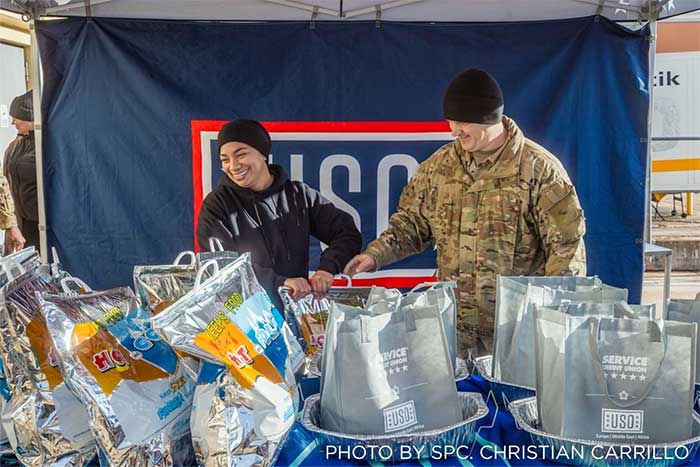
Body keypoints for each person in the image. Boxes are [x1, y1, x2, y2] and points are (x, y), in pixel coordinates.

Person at [344, 68, 586, 360]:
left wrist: (551, 325)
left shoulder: (539, 170)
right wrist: (375, 255)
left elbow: (566, 251)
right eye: (450, 122)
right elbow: (412, 223)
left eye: (462, 123)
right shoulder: (439, 167)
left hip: (515, 335)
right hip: (453, 333)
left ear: (488, 119)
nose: (453, 131)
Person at [197, 118, 362, 309]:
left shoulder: (298, 195)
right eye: (225, 159)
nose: (233, 166)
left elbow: (347, 233)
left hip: (296, 312)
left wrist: (327, 269)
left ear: (263, 154)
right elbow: (219, 268)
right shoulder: (216, 205)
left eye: (240, 154)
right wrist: (279, 282)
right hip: (247, 318)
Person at [3, 90, 38, 251]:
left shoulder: (46, 144)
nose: (13, 122)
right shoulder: (16, 145)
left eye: (16, 117)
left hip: (41, 222)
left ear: (30, 118)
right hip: (21, 221)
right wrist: (10, 223)